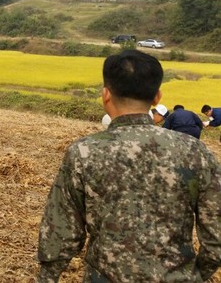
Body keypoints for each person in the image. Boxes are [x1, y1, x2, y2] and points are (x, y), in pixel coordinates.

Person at [37, 49, 221, 281]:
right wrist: (194, 274)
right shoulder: (195, 151)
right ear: (157, 97)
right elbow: (216, 237)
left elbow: (60, 231)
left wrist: (47, 276)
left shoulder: (83, 152)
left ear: (105, 94)